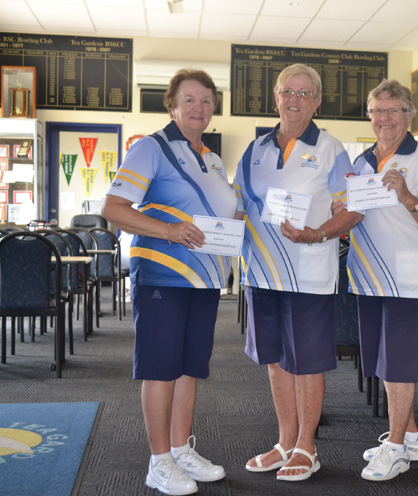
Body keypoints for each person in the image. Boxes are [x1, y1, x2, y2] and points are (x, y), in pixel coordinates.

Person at [102, 69, 238, 495]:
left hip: (205, 278)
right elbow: (113, 208)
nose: (199, 108)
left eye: (206, 100)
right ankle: (158, 461)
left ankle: (180, 450)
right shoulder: (150, 148)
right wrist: (169, 231)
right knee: (160, 369)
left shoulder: (212, 158)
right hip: (162, 274)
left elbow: (222, 212)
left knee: (189, 368)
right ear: (173, 105)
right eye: (190, 100)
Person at [234, 63, 363, 482]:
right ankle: (285, 442)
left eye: (305, 94)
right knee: (275, 361)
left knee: (306, 362)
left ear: (317, 102)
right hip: (261, 275)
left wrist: (317, 234)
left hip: (308, 276)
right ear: (275, 96)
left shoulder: (331, 148)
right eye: (288, 91)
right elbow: (236, 207)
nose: (294, 99)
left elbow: (352, 211)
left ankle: (308, 447)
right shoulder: (254, 151)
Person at [339, 80, 418, 481]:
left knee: (400, 366)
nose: (384, 119)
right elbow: (355, 215)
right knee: (386, 364)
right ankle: (412, 436)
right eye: (378, 111)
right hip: (369, 278)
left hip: (410, 283)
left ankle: (397, 447)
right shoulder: (362, 161)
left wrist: (408, 198)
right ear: (370, 116)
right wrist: (340, 206)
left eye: (393, 111)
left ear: (409, 115)